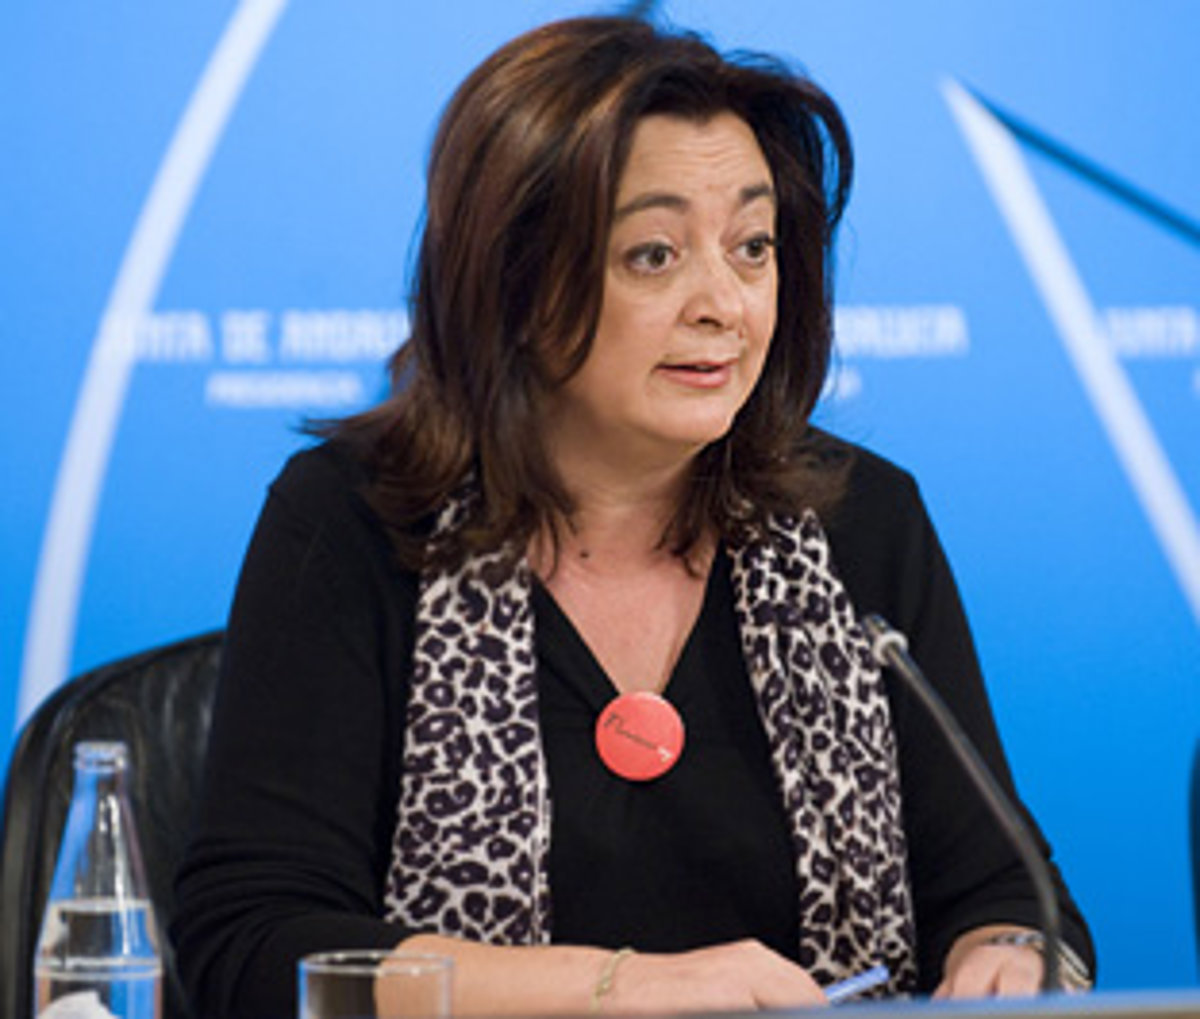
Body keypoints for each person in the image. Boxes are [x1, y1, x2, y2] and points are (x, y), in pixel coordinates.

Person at [171, 14, 1094, 1017]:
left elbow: (1012, 895)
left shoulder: (861, 521)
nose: (724, 304)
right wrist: (619, 987)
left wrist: (1011, 953)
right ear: (515, 281)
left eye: (752, 247)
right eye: (654, 255)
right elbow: (256, 946)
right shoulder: (354, 521)